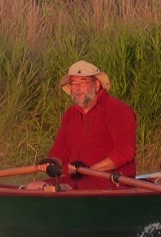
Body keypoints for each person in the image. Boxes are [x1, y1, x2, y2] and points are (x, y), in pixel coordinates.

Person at [27, 60, 137, 191]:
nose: (77, 88)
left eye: (83, 82)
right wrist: (52, 163)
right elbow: (62, 151)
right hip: (77, 179)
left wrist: (90, 169)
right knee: (32, 186)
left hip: (111, 180)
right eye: (73, 83)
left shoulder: (117, 109)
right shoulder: (70, 114)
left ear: (97, 85)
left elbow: (125, 152)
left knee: (56, 189)